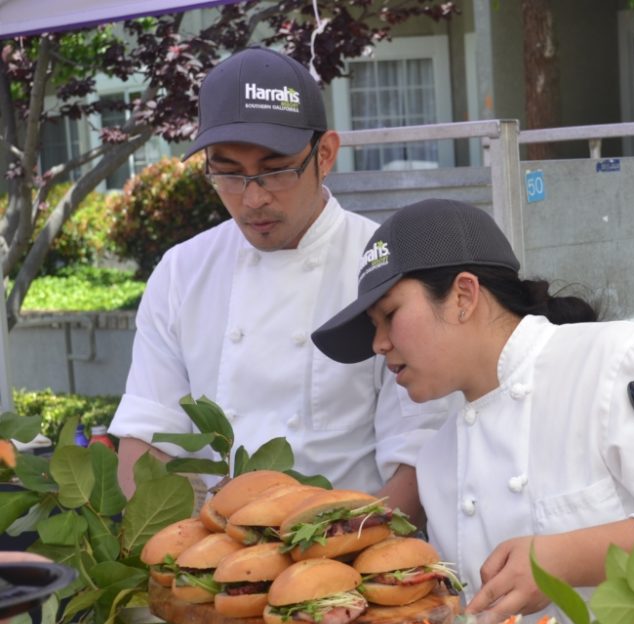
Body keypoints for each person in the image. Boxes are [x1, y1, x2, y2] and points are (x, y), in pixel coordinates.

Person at [310, 198, 634, 624]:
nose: (379, 344)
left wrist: (560, 560)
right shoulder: (437, 462)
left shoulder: (615, 361)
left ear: (463, 296)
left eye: (390, 314)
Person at [109, 47, 450, 514]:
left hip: (352, 550)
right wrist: (177, 551)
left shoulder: (384, 266)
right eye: (228, 174)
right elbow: (146, 436)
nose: (252, 200)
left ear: (325, 154)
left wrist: (331, 546)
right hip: (217, 555)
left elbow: (420, 450)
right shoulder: (181, 271)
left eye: (276, 171)